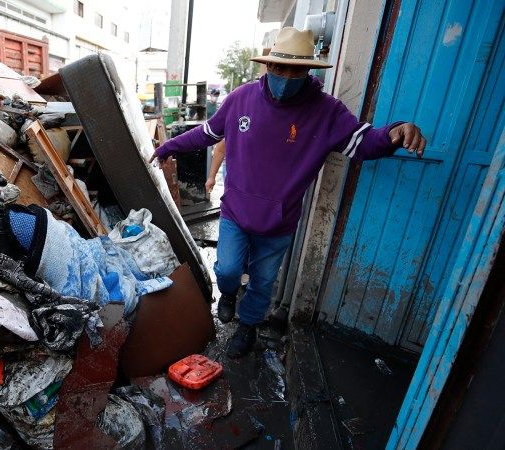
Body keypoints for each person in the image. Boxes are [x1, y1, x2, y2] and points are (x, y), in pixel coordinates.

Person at [149, 27, 426, 358]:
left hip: (279, 222)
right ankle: (228, 294)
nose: (285, 77)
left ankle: (248, 327)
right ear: (268, 65)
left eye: (296, 70)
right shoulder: (240, 99)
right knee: (227, 269)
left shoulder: (327, 112)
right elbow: (207, 133)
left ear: (308, 70)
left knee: (263, 283)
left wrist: (395, 131)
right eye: (279, 67)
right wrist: (169, 146)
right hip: (236, 212)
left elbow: (363, 143)